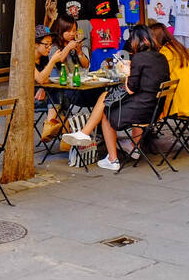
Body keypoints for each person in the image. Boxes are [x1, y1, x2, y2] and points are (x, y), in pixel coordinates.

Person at [65, 25, 170, 172]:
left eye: (133, 41)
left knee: (107, 113)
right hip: (155, 110)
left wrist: (127, 72)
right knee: (106, 97)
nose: (131, 45)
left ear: (144, 40)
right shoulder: (161, 57)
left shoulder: (139, 58)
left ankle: (112, 159)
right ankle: (130, 146)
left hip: (142, 110)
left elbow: (130, 89)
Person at [150, 22, 189, 117]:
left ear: (155, 38)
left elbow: (157, 77)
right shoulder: (178, 48)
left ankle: (144, 129)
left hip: (177, 104)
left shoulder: (165, 53)